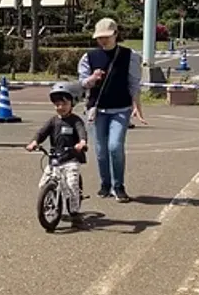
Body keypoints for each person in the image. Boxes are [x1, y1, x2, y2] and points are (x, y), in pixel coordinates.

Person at [77, 18, 146, 202]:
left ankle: (119, 186)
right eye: (99, 38)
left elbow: (134, 83)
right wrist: (92, 78)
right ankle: (105, 184)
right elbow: (83, 83)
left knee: (115, 146)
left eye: (106, 37)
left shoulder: (128, 55)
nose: (103, 41)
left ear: (116, 34)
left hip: (120, 108)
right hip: (97, 109)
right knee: (100, 150)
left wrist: (136, 107)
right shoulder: (89, 57)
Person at [26, 82, 89, 229]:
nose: (60, 107)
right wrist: (34, 142)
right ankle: (49, 202)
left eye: (64, 104)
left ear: (72, 103)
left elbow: (81, 132)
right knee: (43, 184)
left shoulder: (75, 121)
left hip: (71, 158)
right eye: (57, 105)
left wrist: (82, 142)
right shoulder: (53, 121)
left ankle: (74, 213)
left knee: (72, 184)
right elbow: (42, 132)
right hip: (55, 158)